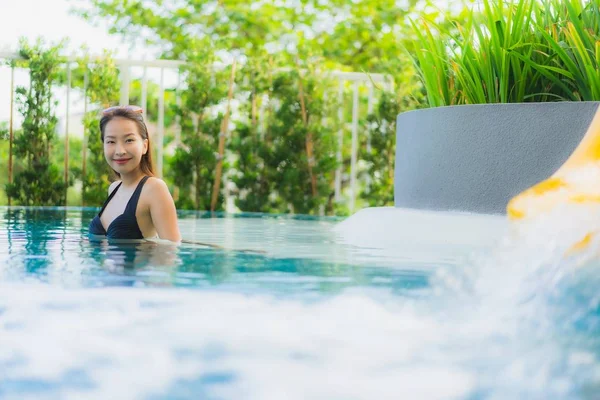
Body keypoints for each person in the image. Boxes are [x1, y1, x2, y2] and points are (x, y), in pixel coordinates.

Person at [88, 105, 182, 242]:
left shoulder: (154, 189)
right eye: (111, 141)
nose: (120, 150)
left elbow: (171, 250)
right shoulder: (114, 188)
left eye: (129, 140)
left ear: (145, 146)